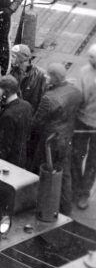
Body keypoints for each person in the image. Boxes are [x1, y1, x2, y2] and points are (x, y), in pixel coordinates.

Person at [29, 63, 82, 216]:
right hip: (66, 138)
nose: (44, 77)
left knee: (43, 172)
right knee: (64, 175)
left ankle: (43, 207)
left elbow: (36, 122)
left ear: (54, 78)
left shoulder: (48, 98)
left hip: (49, 143)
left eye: (47, 75)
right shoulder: (75, 91)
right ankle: (66, 210)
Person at [70, 45, 96, 210]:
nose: (90, 60)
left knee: (93, 160)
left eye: (93, 58)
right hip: (82, 120)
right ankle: (77, 186)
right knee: (76, 154)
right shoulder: (84, 72)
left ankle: (84, 192)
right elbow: (78, 95)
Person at [0, 76, 33, 169]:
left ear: (6, 92)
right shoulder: (27, 105)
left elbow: (5, 145)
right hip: (22, 154)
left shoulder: (8, 115)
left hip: (10, 161)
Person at [9, 44, 47, 114]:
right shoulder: (12, 72)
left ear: (21, 59)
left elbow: (44, 100)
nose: (10, 58)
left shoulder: (40, 75)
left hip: (31, 114)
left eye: (13, 56)